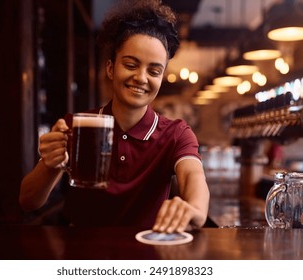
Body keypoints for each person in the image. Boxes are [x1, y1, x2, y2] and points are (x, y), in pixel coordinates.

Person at [20, 0, 210, 233]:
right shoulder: (76, 126)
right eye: (131, 65)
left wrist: (196, 209)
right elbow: (28, 201)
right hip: (81, 258)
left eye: (154, 71)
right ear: (111, 68)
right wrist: (50, 165)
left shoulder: (176, 133)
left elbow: (193, 175)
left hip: (147, 255)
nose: (141, 78)